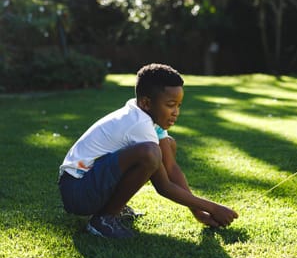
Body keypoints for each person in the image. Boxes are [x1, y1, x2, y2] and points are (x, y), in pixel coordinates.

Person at [58, 63, 238, 238]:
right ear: (146, 102)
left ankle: (112, 208)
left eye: (179, 105)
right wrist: (213, 208)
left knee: (167, 144)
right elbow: (164, 186)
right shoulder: (139, 123)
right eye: (170, 105)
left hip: (88, 184)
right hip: (77, 190)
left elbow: (171, 168)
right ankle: (103, 220)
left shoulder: (148, 116)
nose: (176, 112)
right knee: (150, 154)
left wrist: (198, 212)